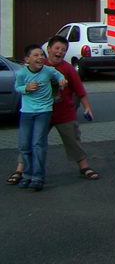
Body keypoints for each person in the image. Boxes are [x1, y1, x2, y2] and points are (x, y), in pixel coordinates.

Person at [7, 36, 99, 185]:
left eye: (63, 50)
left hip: (64, 112)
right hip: (41, 113)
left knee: (72, 139)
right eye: (57, 48)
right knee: (32, 141)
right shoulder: (37, 67)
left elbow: (79, 89)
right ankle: (20, 169)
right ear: (48, 49)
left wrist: (87, 107)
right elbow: (20, 84)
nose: (60, 52)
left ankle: (84, 167)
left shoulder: (67, 68)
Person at [13, 44, 67, 191]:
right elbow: (17, 87)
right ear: (27, 59)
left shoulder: (48, 71)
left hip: (44, 112)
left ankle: (38, 178)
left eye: (41, 55)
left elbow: (59, 75)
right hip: (27, 113)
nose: (40, 58)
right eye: (36, 55)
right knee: (24, 145)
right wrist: (26, 88)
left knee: (38, 144)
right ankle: (26, 176)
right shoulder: (22, 74)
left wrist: (62, 80)